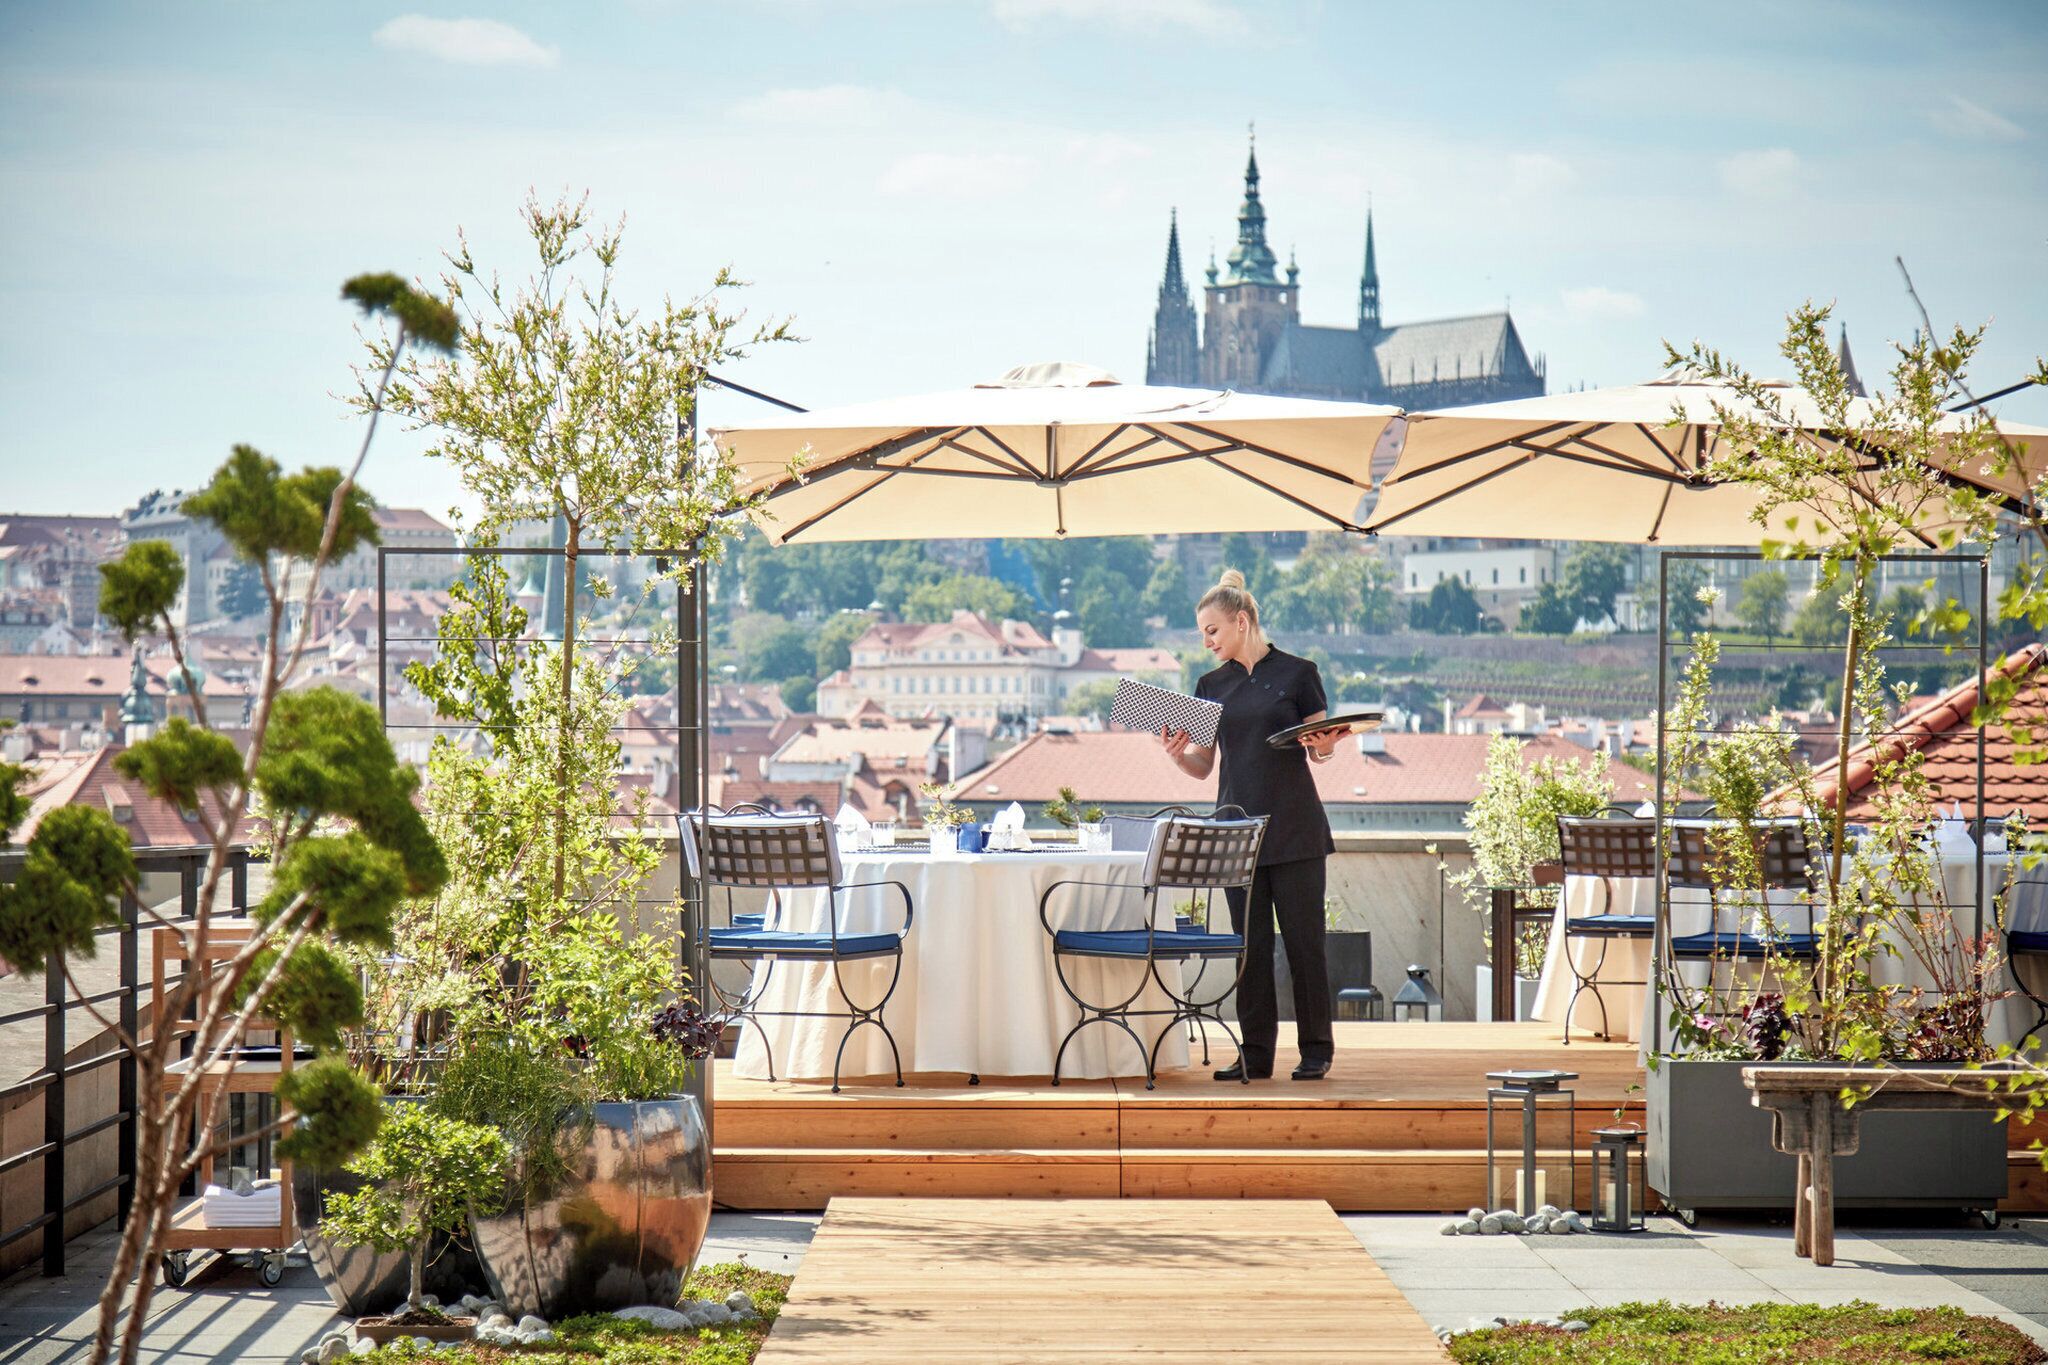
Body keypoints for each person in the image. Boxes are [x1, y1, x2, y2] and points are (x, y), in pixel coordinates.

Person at [1160, 568, 1343, 1081]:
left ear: (1241, 622)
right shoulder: (1209, 685)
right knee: (1250, 948)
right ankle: (1256, 1054)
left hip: (1296, 829)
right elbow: (1203, 766)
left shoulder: (1299, 673)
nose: (1206, 641)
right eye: (1202, 633)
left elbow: (1319, 748)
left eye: (1212, 630)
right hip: (1236, 836)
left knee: (1306, 944)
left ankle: (1316, 1050)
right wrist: (1177, 755)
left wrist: (1327, 747)